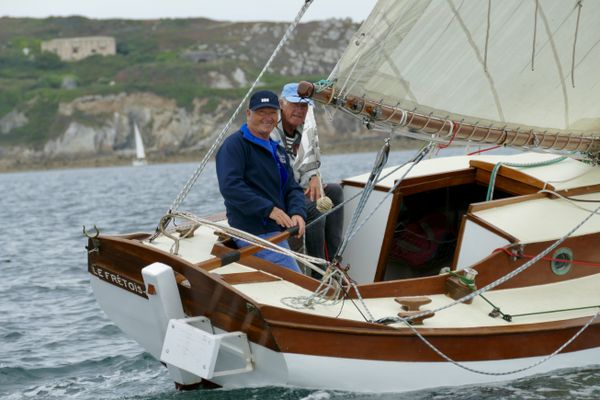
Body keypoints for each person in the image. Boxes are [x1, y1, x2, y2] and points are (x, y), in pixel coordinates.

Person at [216, 90, 306, 272]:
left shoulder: (278, 150)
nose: (267, 118)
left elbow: (292, 187)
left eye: (272, 112)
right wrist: (269, 210)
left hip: (280, 230)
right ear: (248, 114)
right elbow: (231, 187)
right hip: (254, 233)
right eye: (261, 112)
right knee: (298, 282)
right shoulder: (234, 146)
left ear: (278, 115)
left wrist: (297, 212)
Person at [271, 83, 344, 263]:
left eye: (303, 106)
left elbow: (310, 160)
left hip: (297, 188)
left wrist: (313, 176)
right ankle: (317, 268)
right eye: (294, 104)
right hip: (280, 194)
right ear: (281, 104)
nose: (299, 110)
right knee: (313, 207)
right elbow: (284, 173)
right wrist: (308, 179)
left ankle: (333, 262)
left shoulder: (304, 130)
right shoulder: (271, 133)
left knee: (334, 191)